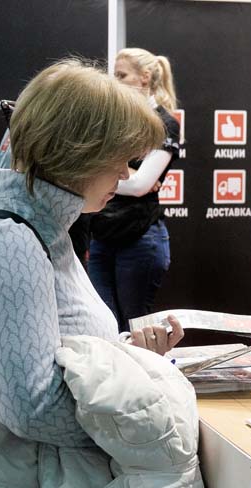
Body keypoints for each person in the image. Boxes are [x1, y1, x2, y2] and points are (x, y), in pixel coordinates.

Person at [0, 59, 183, 488]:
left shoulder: (46, 227)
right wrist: (146, 420)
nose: (125, 173)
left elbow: (57, 347)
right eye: (121, 157)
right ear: (79, 151)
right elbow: (28, 407)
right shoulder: (10, 242)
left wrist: (128, 355)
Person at [89, 48, 181, 331]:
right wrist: (128, 175)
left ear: (145, 77)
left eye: (121, 75)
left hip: (139, 238)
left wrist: (111, 175)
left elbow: (140, 186)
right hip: (102, 235)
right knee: (102, 327)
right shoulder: (112, 119)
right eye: (113, 75)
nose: (115, 81)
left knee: (134, 329)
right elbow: (89, 170)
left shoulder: (164, 123)